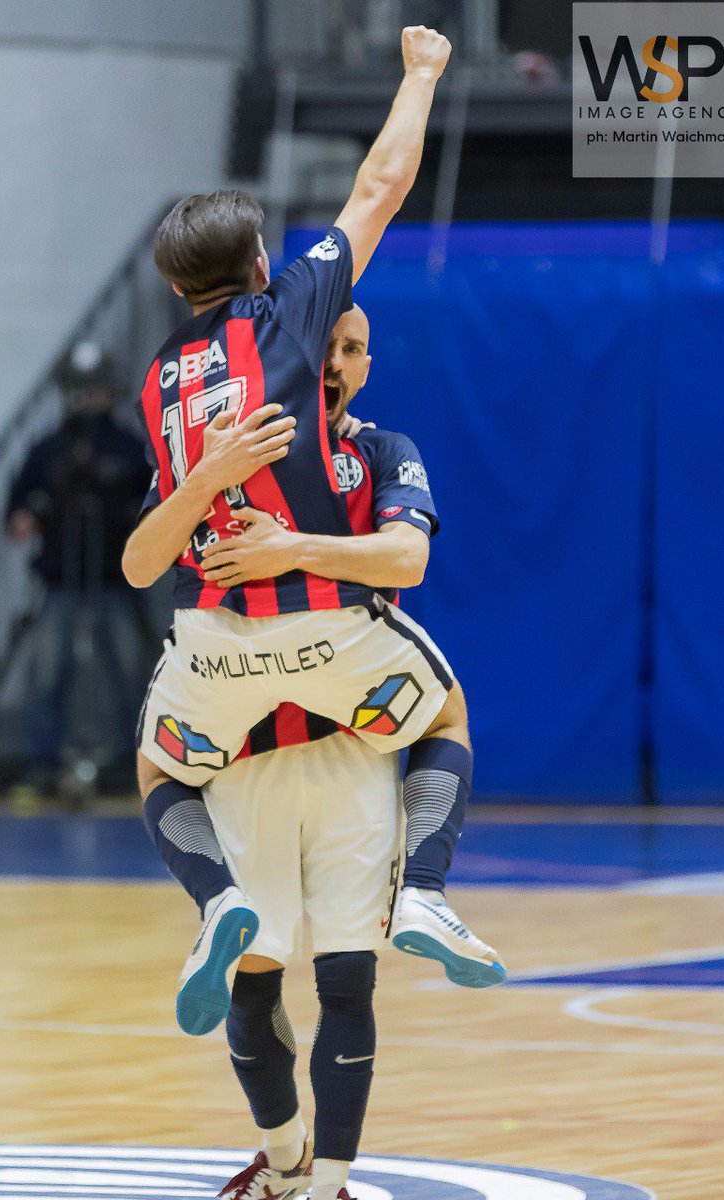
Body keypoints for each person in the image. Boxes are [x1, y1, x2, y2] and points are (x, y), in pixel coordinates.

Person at [126, 26, 471, 1041]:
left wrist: (208, 480)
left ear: (174, 288)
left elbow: (144, 554)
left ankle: (215, 902)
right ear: (261, 262)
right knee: (445, 716)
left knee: (157, 770)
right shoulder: (287, 315)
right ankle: (426, 892)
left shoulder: (158, 382)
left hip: (211, 642)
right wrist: (421, 75)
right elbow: (381, 185)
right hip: (321, 624)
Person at [186, 306, 503, 1200]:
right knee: (255, 981)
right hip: (255, 745)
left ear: (367, 366)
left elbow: (406, 555)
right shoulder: (237, 440)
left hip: (341, 748)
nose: (336, 360)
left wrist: (289, 549)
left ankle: (325, 1181)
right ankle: (286, 1158)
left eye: (352, 349)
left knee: (344, 980)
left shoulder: (378, 449)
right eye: (324, 343)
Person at [6, 341, 151, 785]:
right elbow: (16, 511)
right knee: (47, 673)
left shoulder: (130, 449)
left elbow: (155, 506)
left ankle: (137, 765)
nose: (88, 399)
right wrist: (27, 516)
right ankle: (42, 764)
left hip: (116, 580)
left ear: (111, 392)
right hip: (59, 580)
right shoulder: (48, 449)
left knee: (133, 673)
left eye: (96, 390)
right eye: (80, 390)